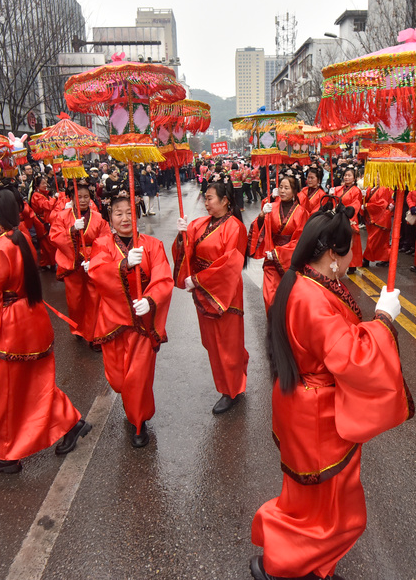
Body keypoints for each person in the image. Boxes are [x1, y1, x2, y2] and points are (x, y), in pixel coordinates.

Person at [250, 207, 412, 580]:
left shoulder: (303, 280)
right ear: (333, 256)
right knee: (334, 511)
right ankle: (285, 564)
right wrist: (384, 319)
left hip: (301, 404)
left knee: (306, 501)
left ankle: (305, 561)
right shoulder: (312, 296)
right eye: (352, 247)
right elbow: (351, 356)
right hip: (318, 415)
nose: (357, 253)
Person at [0, 184, 90, 473]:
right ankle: (70, 423)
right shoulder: (19, 239)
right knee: (36, 384)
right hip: (30, 318)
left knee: (3, 392)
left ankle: (4, 454)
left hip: (7, 327)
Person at [85, 196, 172, 447]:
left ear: (137, 216)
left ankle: (138, 423)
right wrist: (122, 264)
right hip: (113, 320)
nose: (124, 218)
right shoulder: (102, 244)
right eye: (118, 213)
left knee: (138, 378)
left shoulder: (153, 245)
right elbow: (97, 272)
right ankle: (130, 404)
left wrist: (151, 299)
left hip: (143, 322)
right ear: (110, 218)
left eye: (129, 213)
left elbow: (163, 278)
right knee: (118, 378)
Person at [173, 181, 249, 414]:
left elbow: (229, 265)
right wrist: (181, 235)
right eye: (205, 198)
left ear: (225, 200)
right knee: (212, 343)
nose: (206, 203)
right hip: (205, 290)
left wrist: (197, 280)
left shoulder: (235, 227)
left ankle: (232, 390)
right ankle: (229, 383)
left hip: (225, 290)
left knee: (228, 343)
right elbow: (187, 250)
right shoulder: (200, 223)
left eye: (210, 198)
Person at [49, 181, 109, 347]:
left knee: (94, 299)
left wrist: (95, 258)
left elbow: (106, 239)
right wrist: (72, 230)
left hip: (93, 261)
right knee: (75, 301)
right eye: (79, 197)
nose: (83, 200)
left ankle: (94, 335)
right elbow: (54, 236)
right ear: (72, 199)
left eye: (86, 197)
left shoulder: (97, 217)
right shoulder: (63, 216)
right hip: (72, 262)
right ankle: (78, 328)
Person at [248, 175, 307, 311]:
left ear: (294, 191)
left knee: (289, 298)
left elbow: (300, 240)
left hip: (290, 259)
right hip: (271, 257)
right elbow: (260, 229)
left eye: (287, 188)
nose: (282, 191)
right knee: (270, 296)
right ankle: (273, 327)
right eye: (280, 187)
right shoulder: (271, 207)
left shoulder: (301, 212)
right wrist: (262, 215)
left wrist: (277, 253)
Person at [330, 167, 363, 274]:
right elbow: (334, 202)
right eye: (345, 175)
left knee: (352, 242)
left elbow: (356, 205)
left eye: (349, 175)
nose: (347, 177)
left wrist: (347, 213)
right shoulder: (338, 189)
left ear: (354, 178)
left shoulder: (356, 191)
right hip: (338, 217)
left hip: (349, 217)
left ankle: (353, 264)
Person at [362, 184, 394, 267]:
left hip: (381, 217)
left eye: (378, 174)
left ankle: (366, 259)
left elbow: (381, 204)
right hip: (375, 216)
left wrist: (367, 206)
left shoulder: (385, 188)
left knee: (373, 240)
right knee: (381, 241)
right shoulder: (371, 188)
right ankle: (386, 258)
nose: (376, 177)